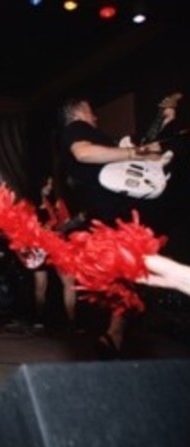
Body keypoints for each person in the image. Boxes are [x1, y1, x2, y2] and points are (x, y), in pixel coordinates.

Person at [58, 96, 174, 357]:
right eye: (91, 111)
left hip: (121, 210)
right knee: (126, 273)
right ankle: (113, 332)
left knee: (128, 275)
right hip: (114, 213)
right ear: (78, 112)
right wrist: (136, 153)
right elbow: (83, 153)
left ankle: (114, 334)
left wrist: (162, 124)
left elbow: (133, 159)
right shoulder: (76, 128)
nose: (96, 117)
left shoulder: (100, 137)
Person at [32, 176, 78, 329]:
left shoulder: (58, 202)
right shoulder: (31, 203)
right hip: (39, 247)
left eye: (52, 184)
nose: (50, 187)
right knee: (40, 285)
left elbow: (66, 223)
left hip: (58, 245)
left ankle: (72, 321)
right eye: (47, 183)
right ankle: (39, 318)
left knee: (69, 282)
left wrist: (72, 222)